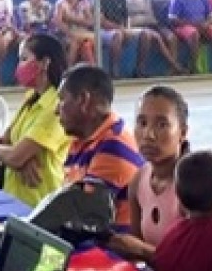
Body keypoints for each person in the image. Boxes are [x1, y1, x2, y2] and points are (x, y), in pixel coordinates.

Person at [55, 64, 145, 228]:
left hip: (111, 248)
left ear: (83, 100)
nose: (56, 110)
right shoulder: (80, 139)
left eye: (61, 100)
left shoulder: (113, 145)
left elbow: (83, 218)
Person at [106, 86, 190, 259]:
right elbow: (136, 251)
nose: (148, 135)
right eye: (142, 123)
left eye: (161, 125)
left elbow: (196, 263)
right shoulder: (139, 180)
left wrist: (144, 251)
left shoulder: (192, 186)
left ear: (183, 132)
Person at [0, 34, 71, 207]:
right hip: (14, 194)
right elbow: (7, 140)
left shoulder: (55, 106)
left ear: (44, 63)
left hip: (38, 202)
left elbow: (13, 155)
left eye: (24, 59)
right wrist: (22, 160)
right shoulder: (31, 98)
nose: (19, 66)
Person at [124, 0, 186, 74]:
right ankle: (175, 65)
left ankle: (172, 69)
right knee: (156, 38)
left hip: (154, 25)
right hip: (138, 28)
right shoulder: (124, 0)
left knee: (171, 38)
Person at [52, 0, 97, 66]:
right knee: (78, 43)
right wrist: (70, 33)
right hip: (67, 34)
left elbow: (91, 22)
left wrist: (71, 19)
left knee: (88, 44)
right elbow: (57, 22)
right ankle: (69, 70)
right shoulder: (60, 3)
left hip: (83, 33)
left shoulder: (83, 2)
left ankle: (93, 72)